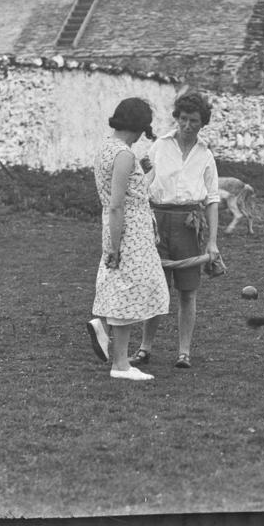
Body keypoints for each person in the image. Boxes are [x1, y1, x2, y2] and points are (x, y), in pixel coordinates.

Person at [129, 92, 222, 370]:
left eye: (194, 120)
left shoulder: (205, 155)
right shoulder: (160, 146)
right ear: (177, 118)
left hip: (189, 224)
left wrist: (213, 243)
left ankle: (184, 352)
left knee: (187, 291)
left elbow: (213, 200)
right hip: (158, 221)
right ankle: (145, 348)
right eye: (183, 119)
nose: (187, 125)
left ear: (202, 123)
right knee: (156, 288)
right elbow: (141, 176)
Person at [86, 98, 170, 381]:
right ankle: (120, 364)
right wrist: (115, 244)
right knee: (130, 290)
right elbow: (117, 205)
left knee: (124, 286)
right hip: (129, 231)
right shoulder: (124, 155)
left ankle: (104, 330)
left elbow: (130, 195)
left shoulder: (105, 150)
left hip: (123, 226)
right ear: (136, 128)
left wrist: (149, 175)